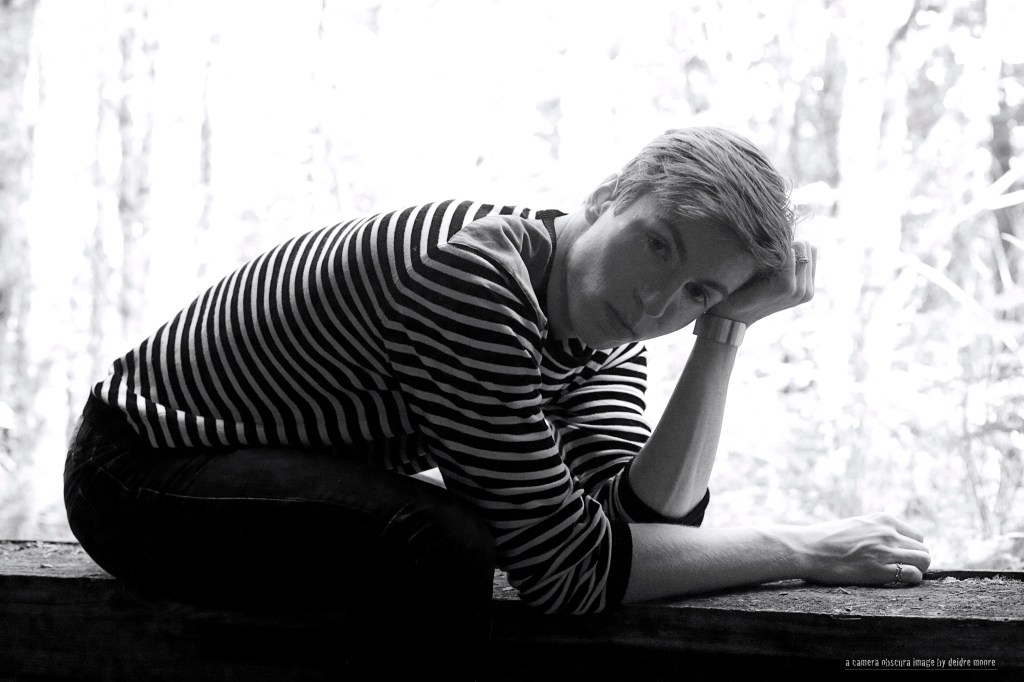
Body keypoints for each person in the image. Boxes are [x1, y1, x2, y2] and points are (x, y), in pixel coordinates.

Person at [64, 127, 930, 674]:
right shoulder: (473, 279)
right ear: (609, 198)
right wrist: (799, 546)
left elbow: (635, 524)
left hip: (248, 472)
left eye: (698, 292)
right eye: (658, 245)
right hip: (141, 474)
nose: (657, 302)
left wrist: (723, 336)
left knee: (467, 536)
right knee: (441, 542)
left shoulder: (605, 330)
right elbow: (568, 573)